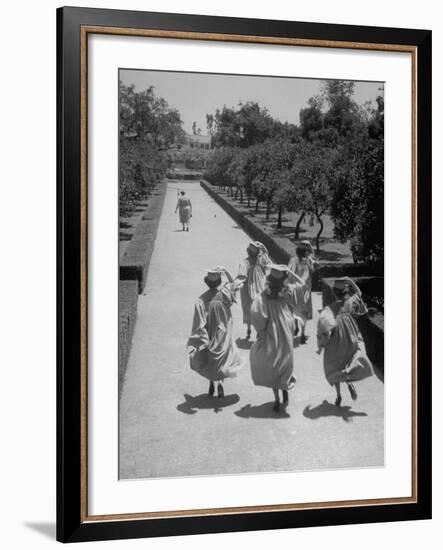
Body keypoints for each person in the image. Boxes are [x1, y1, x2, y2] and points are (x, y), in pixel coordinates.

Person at [249, 264, 305, 413]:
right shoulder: (287, 290)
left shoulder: (263, 295)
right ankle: (285, 388)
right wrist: (290, 271)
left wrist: (261, 331)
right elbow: (302, 284)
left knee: (273, 361)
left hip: (272, 329)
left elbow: (257, 314)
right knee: (285, 358)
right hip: (286, 325)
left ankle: (277, 399)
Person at [316, 277, 374, 407]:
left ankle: (338, 395)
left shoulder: (329, 309)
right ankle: (349, 381)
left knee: (334, 364)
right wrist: (350, 280)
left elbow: (324, 328)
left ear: (334, 293)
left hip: (337, 338)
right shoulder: (351, 302)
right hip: (351, 335)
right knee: (350, 359)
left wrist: (321, 345)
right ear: (346, 292)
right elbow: (359, 293)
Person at [187, 267, 244, 398]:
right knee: (223, 359)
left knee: (209, 359)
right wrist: (226, 271)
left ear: (206, 282)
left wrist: (200, 339)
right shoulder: (225, 294)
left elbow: (198, 323)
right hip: (223, 333)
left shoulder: (200, 300)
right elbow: (236, 283)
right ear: (219, 282)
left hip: (209, 333)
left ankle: (212, 382)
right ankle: (220, 384)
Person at [236, 241, 271, 340]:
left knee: (248, 309)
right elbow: (267, 255)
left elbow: (241, 277)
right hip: (260, 289)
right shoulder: (261, 260)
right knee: (259, 310)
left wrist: (235, 286)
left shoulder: (244, 263)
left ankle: (248, 329)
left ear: (247, 251)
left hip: (247, 290)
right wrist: (262, 246)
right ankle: (258, 331)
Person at [288, 243, 316, 343]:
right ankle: (303, 333)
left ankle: (296, 327)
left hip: (296, 288)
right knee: (304, 310)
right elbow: (312, 271)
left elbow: (289, 272)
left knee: (295, 308)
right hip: (305, 290)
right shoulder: (307, 260)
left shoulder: (293, 260)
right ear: (305, 252)